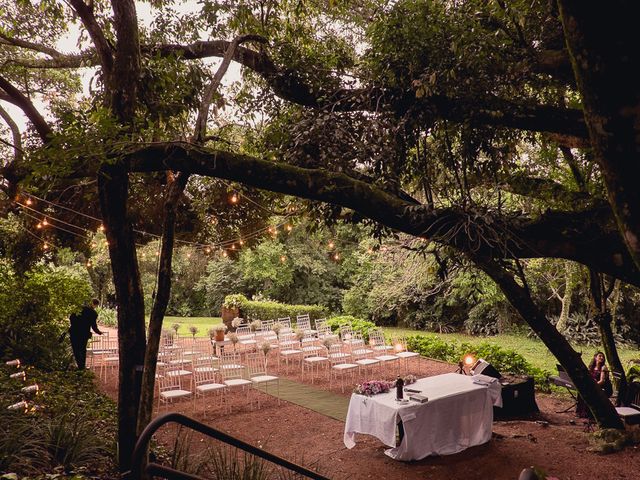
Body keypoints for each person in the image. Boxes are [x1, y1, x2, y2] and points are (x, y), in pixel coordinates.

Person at [576, 351, 613, 417]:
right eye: (600, 356)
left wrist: (592, 386)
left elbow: (602, 381)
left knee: (589, 391)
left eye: (603, 357)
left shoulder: (603, 367)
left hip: (604, 388)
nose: (602, 358)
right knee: (581, 390)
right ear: (595, 357)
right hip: (595, 385)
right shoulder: (592, 366)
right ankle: (581, 412)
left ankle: (589, 413)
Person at [69, 298, 102, 370]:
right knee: (82, 350)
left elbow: (71, 318)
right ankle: (82, 367)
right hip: (84, 334)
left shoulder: (78, 309)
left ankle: (80, 367)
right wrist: (99, 332)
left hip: (74, 332)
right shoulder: (93, 313)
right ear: (95, 304)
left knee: (76, 350)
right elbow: (94, 326)